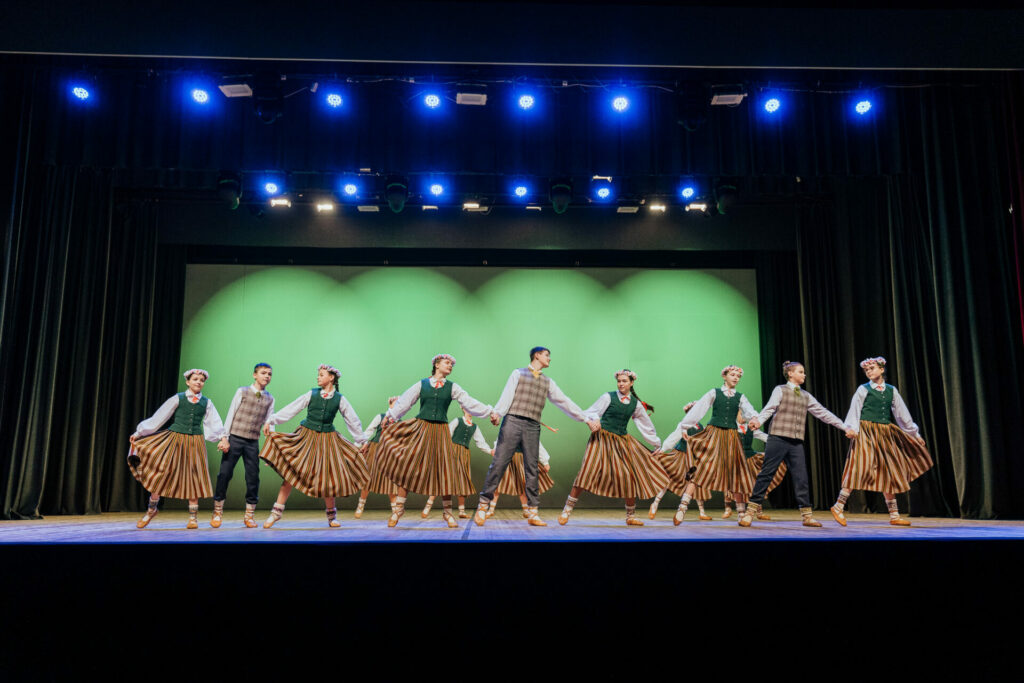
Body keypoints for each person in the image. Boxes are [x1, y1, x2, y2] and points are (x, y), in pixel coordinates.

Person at [475, 347, 601, 527]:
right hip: (512, 421)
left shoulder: (548, 382)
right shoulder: (518, 373)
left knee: (532, 469)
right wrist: (497, 413)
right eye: (547, 355)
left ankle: (533, 512)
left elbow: (564, 401)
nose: (549, 358)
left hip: (532, 426)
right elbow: (506, 396)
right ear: (537, 355)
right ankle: (483, 506)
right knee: (499, 463)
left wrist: (586, 419)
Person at [377, 354, 493, 528]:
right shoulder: (422, 384)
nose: (450, 366)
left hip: (440, 432)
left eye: (452, 364)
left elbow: (469, 402)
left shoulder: (453, 387)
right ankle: (398, 509)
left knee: (445, 471)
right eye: (447, 363)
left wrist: (490, 411)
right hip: (421, 429)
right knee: (409, 466)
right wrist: (390, 415)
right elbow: (405, 402)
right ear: (437, 365)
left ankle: (448, 513)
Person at [740, 361, 854, 528]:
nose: (804, 375)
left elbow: (823, 413)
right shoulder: (780, 390)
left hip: (795, 442)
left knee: (801, 477)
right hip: (778, 438)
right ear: (790, 373)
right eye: (800, 372)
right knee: (766, 474)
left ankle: (807, 516)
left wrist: (845, 427)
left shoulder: (806, 395)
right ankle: (749, 513)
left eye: (803, 372)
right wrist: (758, 421)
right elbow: (770, 408)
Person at [259, 364, 368, 528]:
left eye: (321, 374)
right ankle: (276, 513)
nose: (318, 377)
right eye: (318, 374)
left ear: (331, 377)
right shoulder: (312, 394)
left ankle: (332, 516)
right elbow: (292, 409)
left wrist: (361, 439)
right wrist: (271, 420)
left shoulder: (339, 399)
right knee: (290, 473)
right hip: (306, 437)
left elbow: (352, 419)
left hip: (327, 441)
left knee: (328, 478)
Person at [830, 356, 933, 527]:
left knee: (888, 470)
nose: (869, 372)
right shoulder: (863, 389)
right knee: (860, 466)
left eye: (872, 368)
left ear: (882, 369)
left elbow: (902, 414)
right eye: (866, 370)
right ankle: (838, 506)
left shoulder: (891, 390)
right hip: (866, 431)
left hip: (885, 433)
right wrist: (851, 428)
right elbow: (855, 409)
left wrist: (914, 434)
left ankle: (894, 515)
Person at [559, 370, 668, 526]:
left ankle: (630, 516)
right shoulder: (608, 397)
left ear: (631, 383)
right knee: (587, 471)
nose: (621, 384)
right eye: (619, 381)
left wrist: (656, 443)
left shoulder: (635, 404)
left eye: (624, 381)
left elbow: (645, 425)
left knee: (629, 476)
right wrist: (595, 420)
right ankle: (566, 511)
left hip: (622, 441)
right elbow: (591, 412)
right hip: (601, 438)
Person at [128, 368, 225, 529]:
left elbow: (214, 422)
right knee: (162, 472)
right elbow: (160, 416)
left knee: (194, 476)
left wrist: (222, 437)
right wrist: (140, 432)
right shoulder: (178, 398)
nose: (198, 382)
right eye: (195, 379)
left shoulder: (206, 402)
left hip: (195, 441)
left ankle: (193, 518)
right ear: (188, 382)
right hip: (175, 439)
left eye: (201, 380)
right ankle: (151, 510)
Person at [672, 365, 763, 525]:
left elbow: (749, 411)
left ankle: (741, 514)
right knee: (701, 469)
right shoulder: (714, 393)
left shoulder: (740, 397)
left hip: (731, 437)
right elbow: (699, 409)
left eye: (738, 376)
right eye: (732, 375)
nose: (736, 378)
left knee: (736, 473)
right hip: (714, 434)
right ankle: (682, 508)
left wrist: (755, 418)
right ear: (724, 376)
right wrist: (685, 426)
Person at [212, 363, 275, 529]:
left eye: (269, 374)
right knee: (224, 474)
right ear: (255, 375)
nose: (267, 376)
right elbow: (230, 415)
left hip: (252, 442)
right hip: (235, 438)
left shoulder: (270, 398)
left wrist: (272, 449)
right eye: (263, 373)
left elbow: (270, 423)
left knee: (253, 477)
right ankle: (217, 512)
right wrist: (224, 438)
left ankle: (249, 515)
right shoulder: (242, 391)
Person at [422, 407, 494, 519]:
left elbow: (481, 442)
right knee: (444, 479)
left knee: (462, 481)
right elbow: (447, 434)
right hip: (452, 451)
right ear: (463, 409)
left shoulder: (475, 427)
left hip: (464, 455)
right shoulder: (457, 421)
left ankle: (461, 511)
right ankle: (428, 505)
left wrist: (490, 451)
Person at [652, 401, 713, 521]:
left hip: (693, 459)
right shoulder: (684, 424)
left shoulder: (700, 426)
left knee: (696, 482)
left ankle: (702, 512)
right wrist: (663, 449)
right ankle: (655, 503)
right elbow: (674, 437)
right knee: (670, 479)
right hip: (681, 455)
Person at [354, 396, 400, 519]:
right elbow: (369, 431)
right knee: (368, 478)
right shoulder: (380, 416)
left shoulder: (400, 422)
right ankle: (360, 506)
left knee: (391, 482)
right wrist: (359, 445)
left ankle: (395, 511)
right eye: (395, 403)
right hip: (375, 448)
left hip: (389, 452)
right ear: (390, 404)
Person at [488, 441, 553, 519]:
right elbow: (501, 439)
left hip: (521, 459)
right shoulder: (508, 432)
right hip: (506, 457)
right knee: (497, 484)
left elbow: (537, 444)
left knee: (523, 484)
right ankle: (491, 510)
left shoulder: (528, 433)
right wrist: (496, 450)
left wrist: (545, 462)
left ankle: (526, 510)